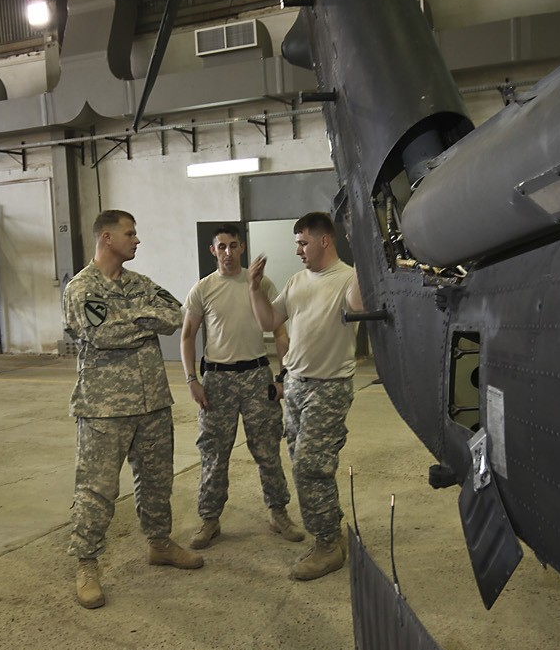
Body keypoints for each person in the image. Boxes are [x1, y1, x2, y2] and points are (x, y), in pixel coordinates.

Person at [63, 210, 202, 608]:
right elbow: (104, 334)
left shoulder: (140, 283)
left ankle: (159, 543)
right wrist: (144, 320)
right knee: (97, 490)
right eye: (130, 233)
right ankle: (87, 564)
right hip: (104, 407)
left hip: (152, 402)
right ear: (107, 238)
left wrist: (129, 320)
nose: (136, 239)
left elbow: (175, 315)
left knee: (157, 480)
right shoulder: (80, 288)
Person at [249, 211, 363, 581]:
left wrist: (365, 260)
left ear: (324, 240)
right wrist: (254, 288)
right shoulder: (298, 281)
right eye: (296, 243)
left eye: (302, 242)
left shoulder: (347, 278)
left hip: (329, 386)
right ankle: (332, 530)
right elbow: (269, 321)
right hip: (296, 383)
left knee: (310, 465)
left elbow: (360, 307)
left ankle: (327, 546)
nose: (298, 249)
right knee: (306, 463)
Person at [180, 224, 299, 550]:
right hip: (217, 380)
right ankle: (210, 520)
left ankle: (278, 513)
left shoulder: (260, 283)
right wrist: (192, 380)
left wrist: (282, 376)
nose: (228, 253)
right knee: (214, 455)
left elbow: (279, 332)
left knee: (267, 451)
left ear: (242, 248)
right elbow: (188, 336)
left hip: (257, 376)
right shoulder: (203, 289)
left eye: (234, 246)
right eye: (222, 247)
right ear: (212, 251)